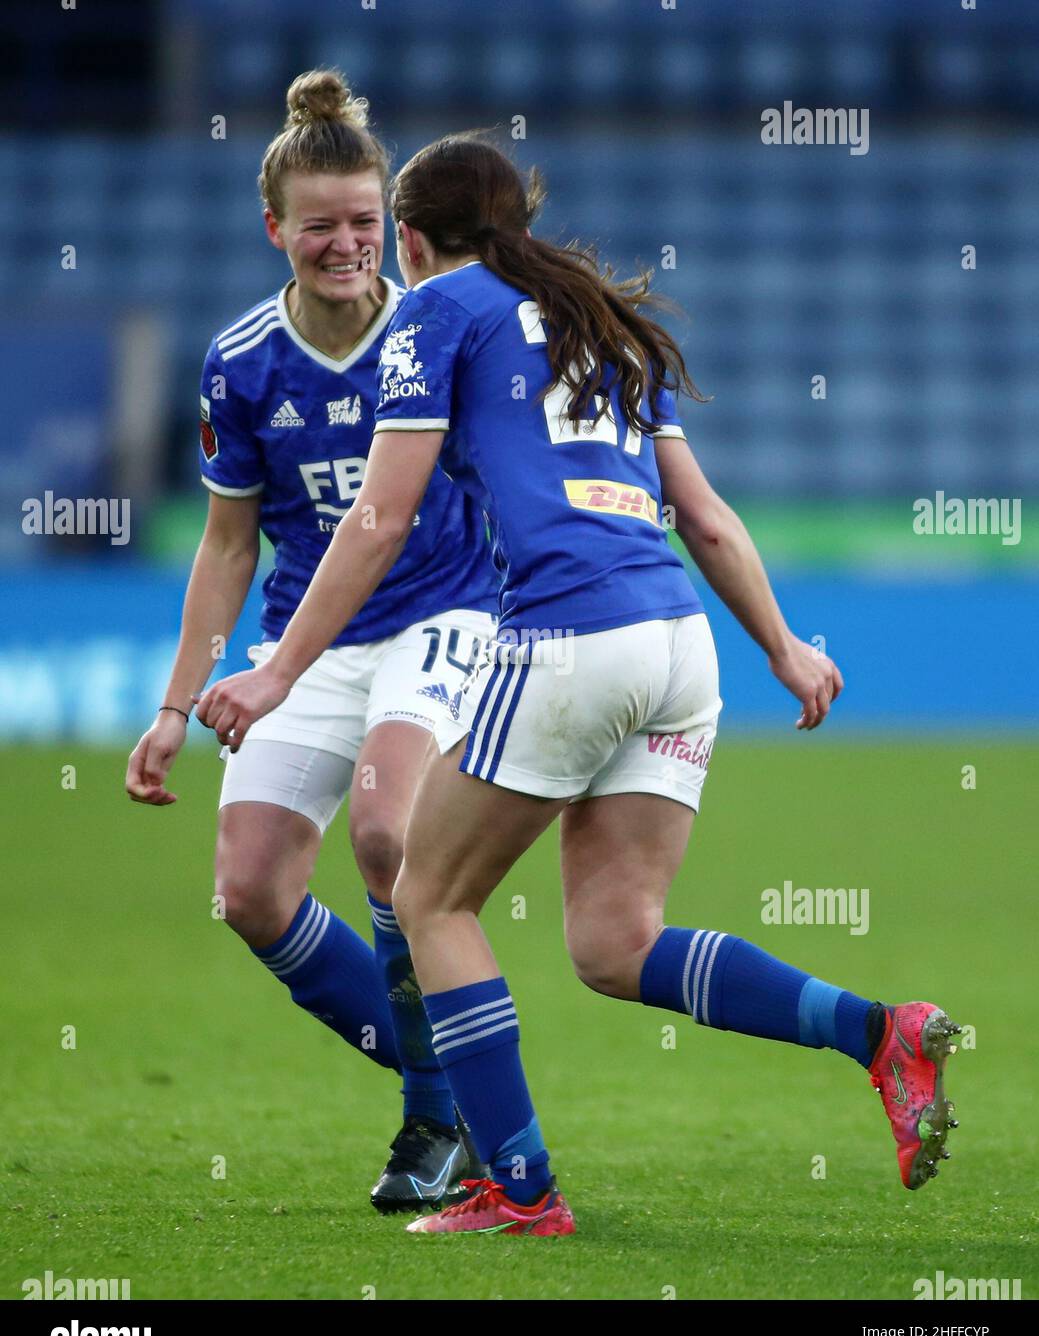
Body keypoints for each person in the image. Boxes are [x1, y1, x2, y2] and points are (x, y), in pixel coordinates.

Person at [195, 135, 960, 1237]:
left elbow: (380, 516)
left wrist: (278, 668)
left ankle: (519, 1189)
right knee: (614, 942)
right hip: (677, 645)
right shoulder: (600, 319)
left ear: (408, 238)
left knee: (427, 896)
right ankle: (880, 1033)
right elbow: (701, 515)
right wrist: (783, 647)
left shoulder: (432, 312)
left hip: (568, 639)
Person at [125, 78, 499, 1213]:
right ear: (274, 228)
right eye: (320, 222)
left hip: (444, 616)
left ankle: (436, 1120)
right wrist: (176, 702)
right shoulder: (241, 361)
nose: (345, 242)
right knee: (248, 891)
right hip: (307, 636)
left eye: (364, 219)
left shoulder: (440, 327)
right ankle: (457, 1085)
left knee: (388, 829)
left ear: (391, 220)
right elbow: (228, 543)